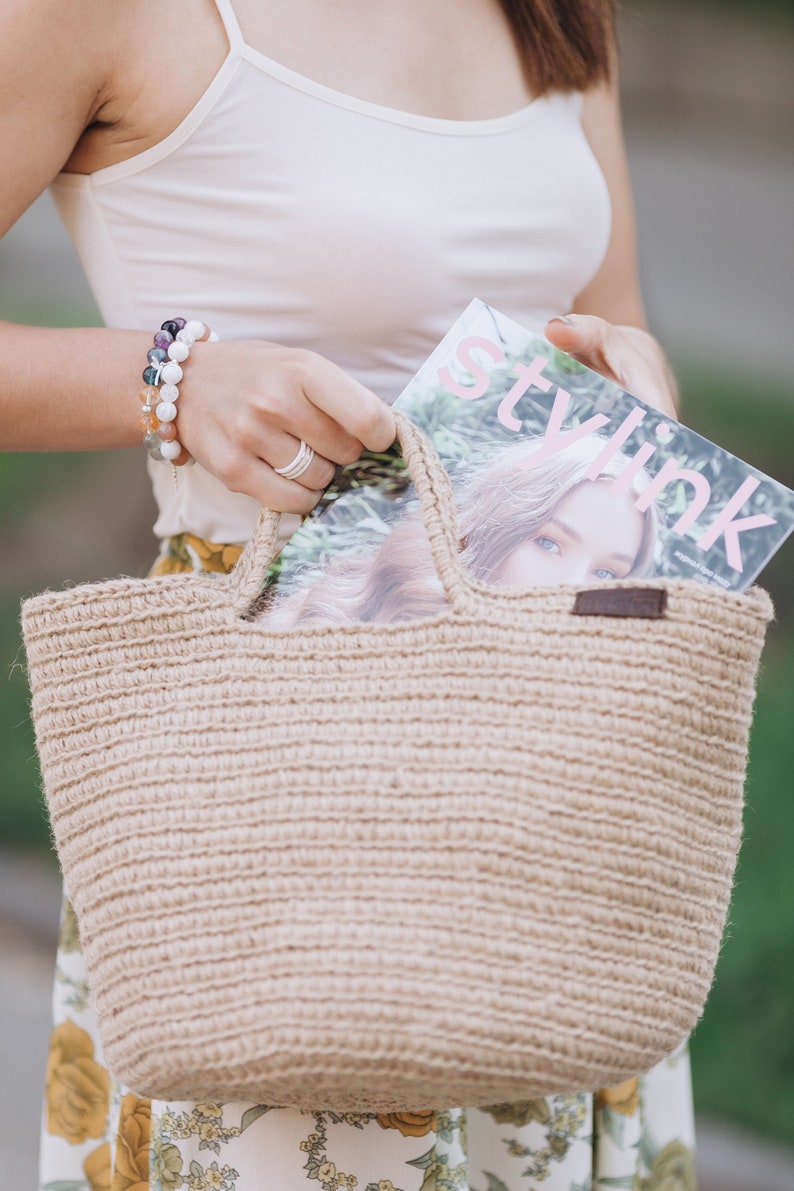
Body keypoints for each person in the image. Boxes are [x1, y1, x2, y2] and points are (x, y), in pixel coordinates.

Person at [0, 0, 695, 1187]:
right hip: (284, 715)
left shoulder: (562, 12)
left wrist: (631, 385)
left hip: (538, 714)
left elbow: (616, 315)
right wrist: (171, 381)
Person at [267, 434, 662, 628]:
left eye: (607, 575)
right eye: (549, 543)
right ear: (494, 531)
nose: (573, 589)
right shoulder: (364, 615)